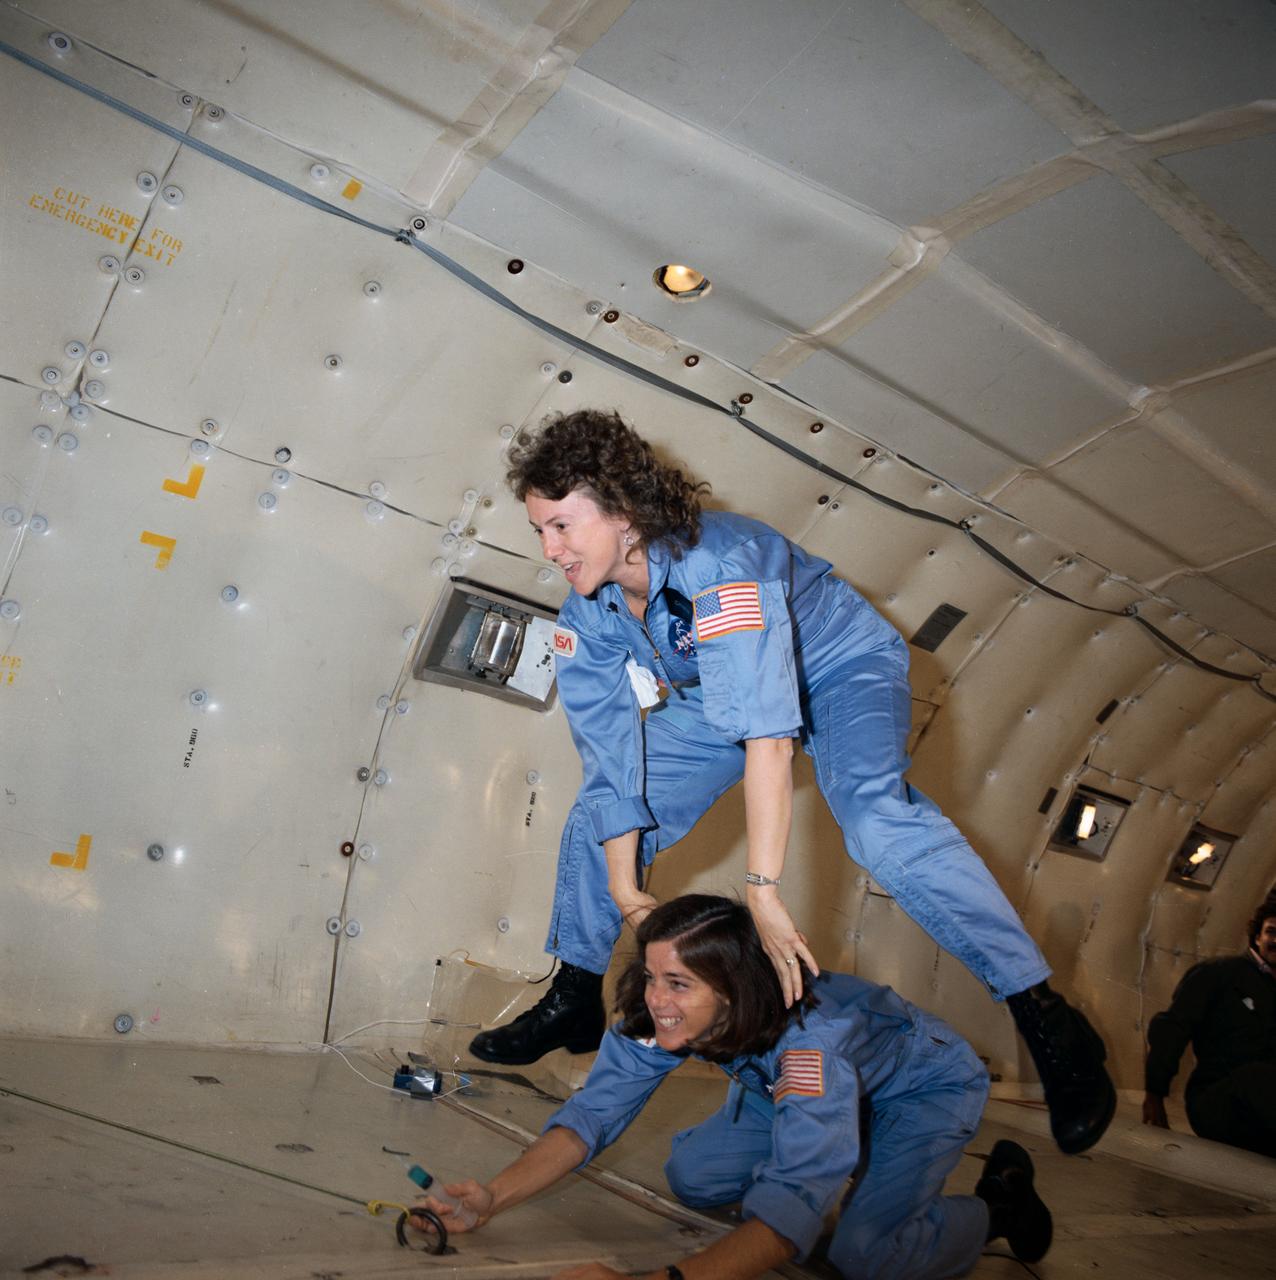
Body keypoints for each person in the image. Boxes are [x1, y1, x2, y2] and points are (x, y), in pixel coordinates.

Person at [470, 408, 1114, 1154]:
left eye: (562, 527)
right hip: (723, 693)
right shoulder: (589, 610)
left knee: (876, 824)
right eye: (539, 531)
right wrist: (624, 893)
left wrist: (763, 888)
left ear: (623, 512)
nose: (551, 550)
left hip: (841, 671)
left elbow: (767, 739)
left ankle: (1046, 1017)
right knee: (596, 818)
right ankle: (575, 996)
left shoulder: (724, 567)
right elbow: (613, 759)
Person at [421, 895, 1053, 1279]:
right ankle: (843, 1153)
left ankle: (997, 1207)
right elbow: (591, 1115)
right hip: (790, 1084)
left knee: (864, 1257)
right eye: (650, 976)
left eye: (678, 984)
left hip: (922, 1087)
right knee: (694, 1177)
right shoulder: (664, 1013)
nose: (656, 1000)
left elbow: (790, 1209)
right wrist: (492, 1198)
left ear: (731, 991)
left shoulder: (812, 1048)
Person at [1142, 890, 1276, 1157]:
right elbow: (1173, 1028)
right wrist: (1154, 1093)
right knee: (1258, 1077)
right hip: (1218, 1102)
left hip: (1263, 1117)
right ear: (1257, 935)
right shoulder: (1220, 974)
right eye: (1272, 932)